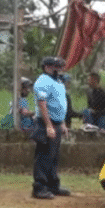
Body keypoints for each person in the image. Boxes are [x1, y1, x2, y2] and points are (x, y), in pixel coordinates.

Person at [31, 56, 71, 199]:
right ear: (47, 67)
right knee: (44, 155)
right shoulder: (43, 81)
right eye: (56, 67)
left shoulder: (58, 82)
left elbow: (60, 104)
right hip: (45, 122)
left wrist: (62, 124)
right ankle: (39, 187)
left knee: (54, 156)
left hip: (56, 123)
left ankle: (53, 185)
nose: (59, 70)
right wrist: (48, 125)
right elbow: (42, 104)